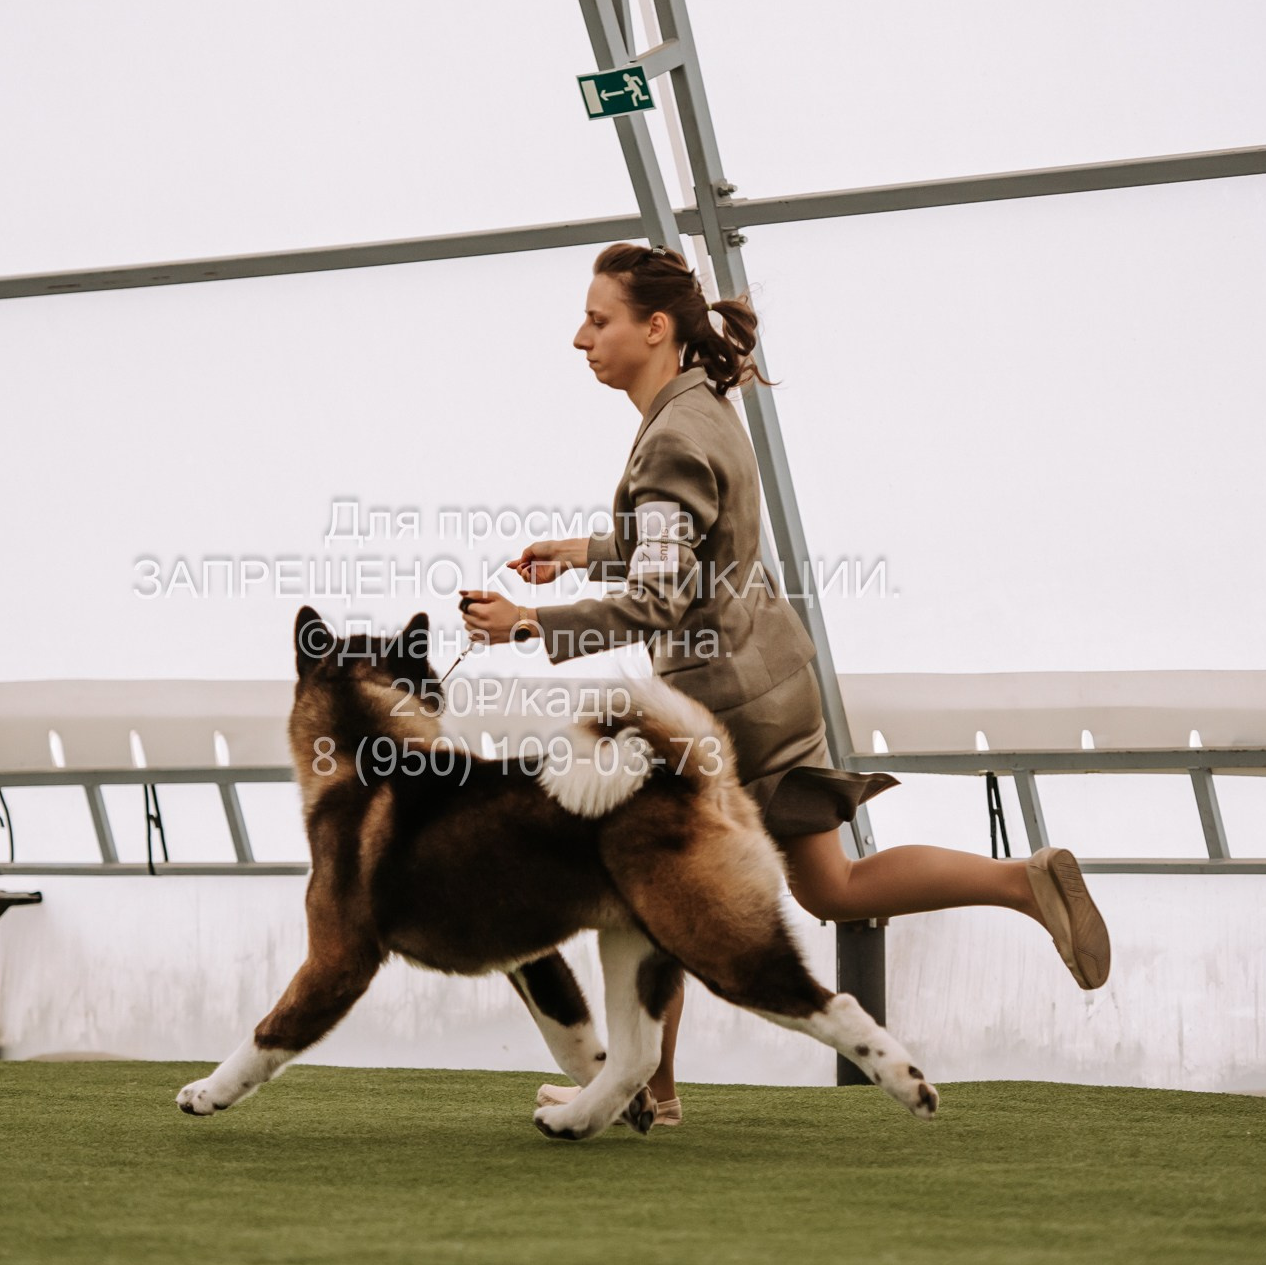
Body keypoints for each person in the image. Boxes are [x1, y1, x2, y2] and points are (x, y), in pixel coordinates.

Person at [457, 242, 1112, 1126]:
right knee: (830, 886)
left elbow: (656, 596)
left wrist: (529, 624)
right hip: (774, 680)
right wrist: (578, 552)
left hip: (721, 710)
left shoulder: (670, 440)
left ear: (654, 328)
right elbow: (693, 543)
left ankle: (650, 1093)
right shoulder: (702, 407)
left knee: (656, 887)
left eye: (597, 319)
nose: (580, 339)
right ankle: (1019, 883)